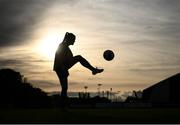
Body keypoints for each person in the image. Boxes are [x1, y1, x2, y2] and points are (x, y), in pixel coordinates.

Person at [53, 32, 104, 103]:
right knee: (79, 58)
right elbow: (60, 58)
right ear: (69, 40)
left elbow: (63, 42)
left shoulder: (63, 45)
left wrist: (66, 36)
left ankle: (62, 106)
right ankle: (93, 70)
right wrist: (64, 69)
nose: (74, 41)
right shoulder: (63, 46)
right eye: (73, 39)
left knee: (64, 88)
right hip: (61, 67)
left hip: (62, 67)